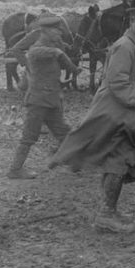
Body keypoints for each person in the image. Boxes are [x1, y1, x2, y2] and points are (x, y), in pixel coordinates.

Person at [49, 7, 135, 233]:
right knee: (118, 161)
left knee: (118, 160)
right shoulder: (125, 46)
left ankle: (108, 209)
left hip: (126, 111)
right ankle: (106, 214)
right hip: (118, 112)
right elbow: (118, 83)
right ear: (131, 23)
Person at [7, 16, 81, 179]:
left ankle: (74, 162)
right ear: (46, 31)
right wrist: (71, 66)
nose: (59, 33)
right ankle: (15, 169)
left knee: (63, 131)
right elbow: (38, 54)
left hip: (51, 100)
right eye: (56, 30)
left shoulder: (52, 47)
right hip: (38, 101)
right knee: (29, 136)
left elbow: (59, 56)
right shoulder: (37, 49)